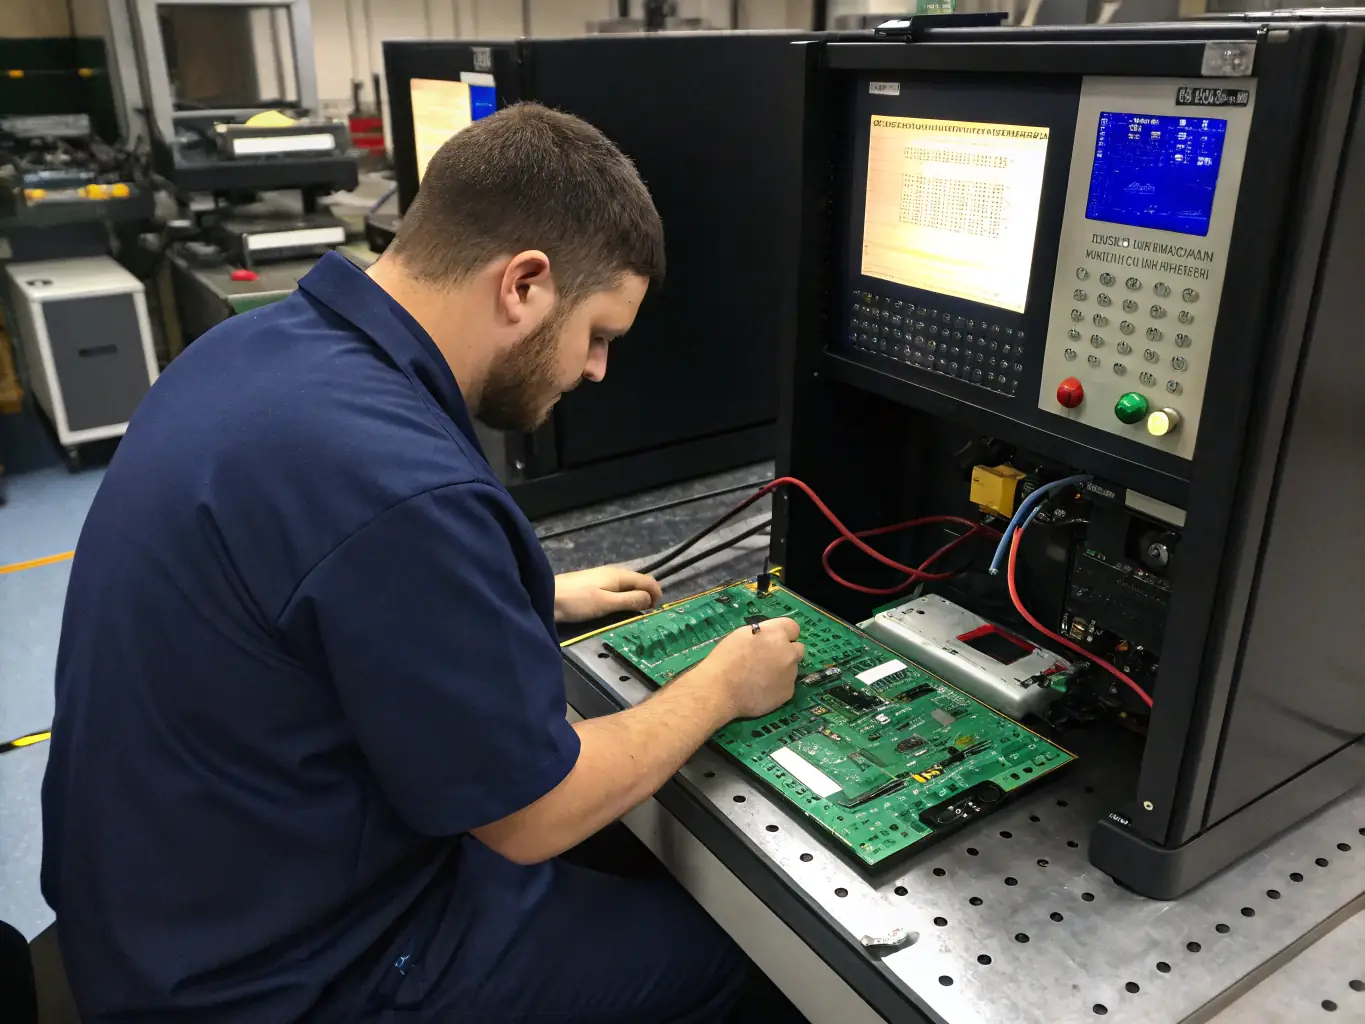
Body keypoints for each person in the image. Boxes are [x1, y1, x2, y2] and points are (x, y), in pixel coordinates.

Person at [40, 103, 805, 1022]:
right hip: (282, 981)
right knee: (737, 960)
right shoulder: (400, 488)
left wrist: (518, 592)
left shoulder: (251, 351)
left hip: (158, 922)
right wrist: (724, 683)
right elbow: (535, 815)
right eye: (598, 333)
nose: (598, 369)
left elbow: (312, 588)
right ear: (524, 283)